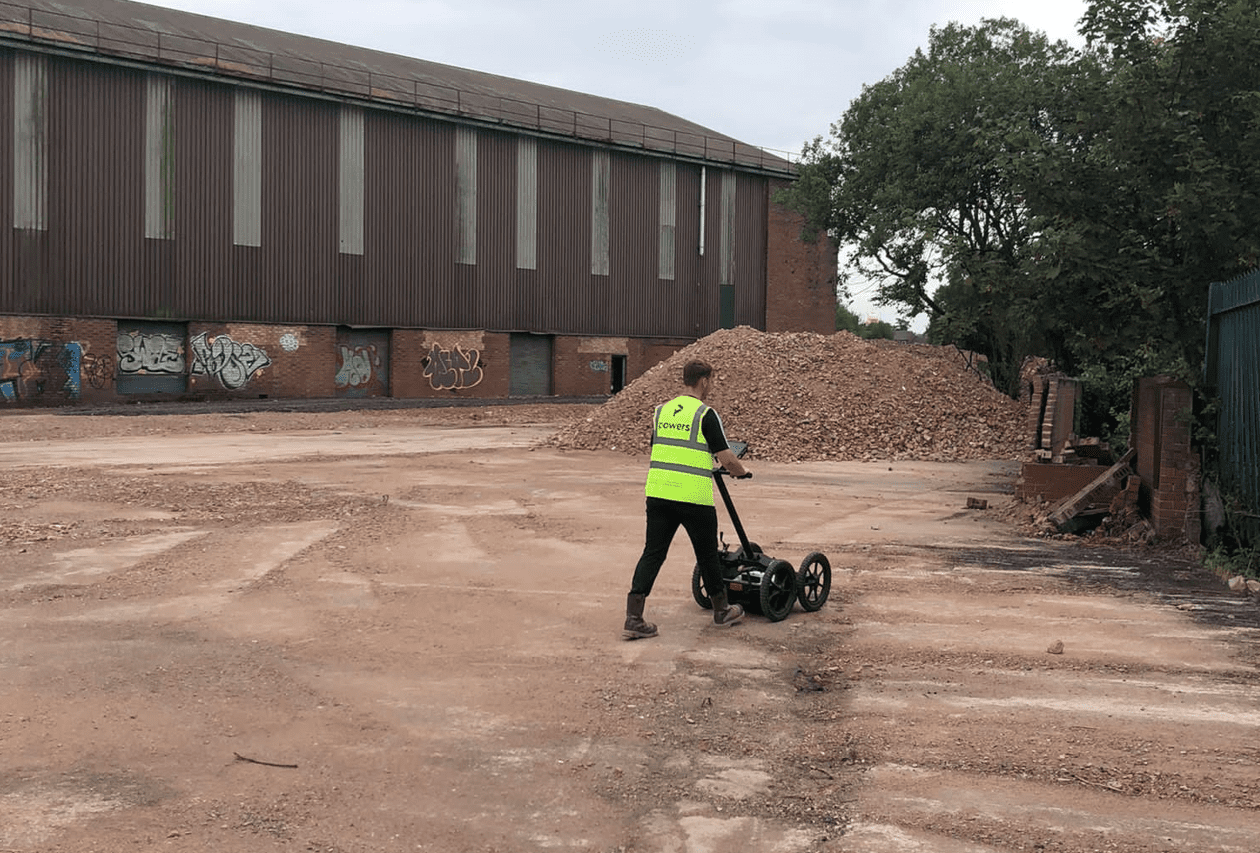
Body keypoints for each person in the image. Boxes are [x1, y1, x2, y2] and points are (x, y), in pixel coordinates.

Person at [624, 359, 749, 640]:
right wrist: (742, 472)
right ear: (703, 381)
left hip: (658, 493)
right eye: (711, 382)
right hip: (693, 496)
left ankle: (634, 616)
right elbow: (726, 457)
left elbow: (659, 446)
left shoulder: (661, 411)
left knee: (653, 552)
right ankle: (722, 610)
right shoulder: (705, 414)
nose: (711, 387)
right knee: (706, 555)